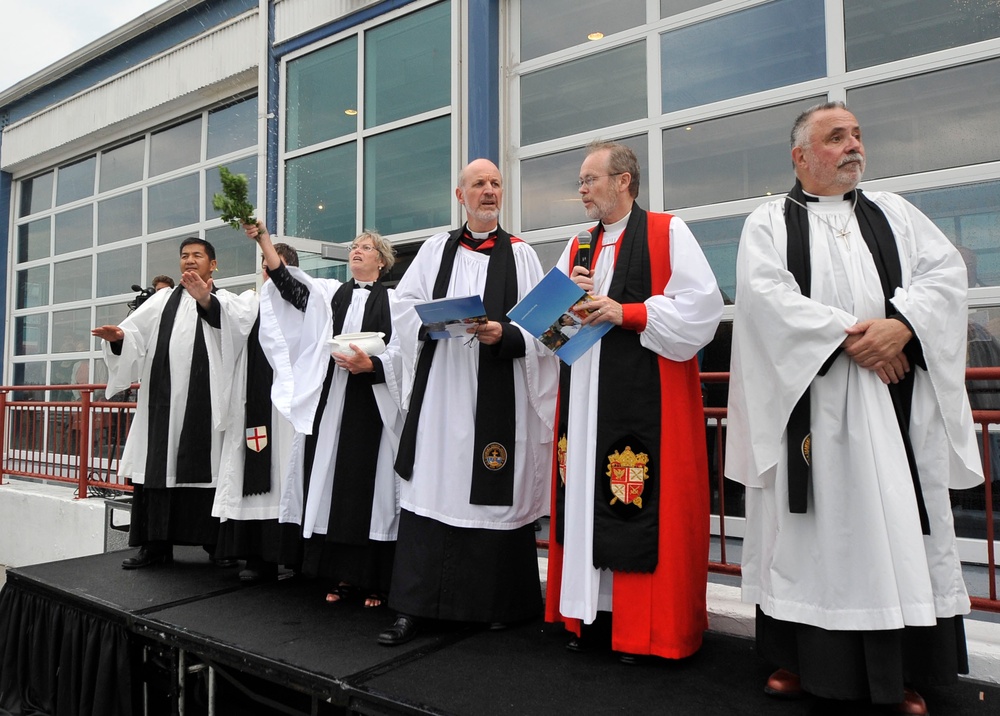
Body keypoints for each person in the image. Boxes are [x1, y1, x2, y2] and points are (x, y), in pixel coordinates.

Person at [726, 102, 984, 715]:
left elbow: (945, 274)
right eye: (836, 137)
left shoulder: (894, 213)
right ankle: (799, 659)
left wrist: (903, 328)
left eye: (857, 135)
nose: (852, 146)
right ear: (800, 156)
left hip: (893, 407)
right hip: (812, 406)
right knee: (814, 536)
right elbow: (765, 300)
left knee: (895, 528)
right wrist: (856, 338)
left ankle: (901, 674)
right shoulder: (768, 222)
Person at [544, 141, 723, 662]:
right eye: (579, 181)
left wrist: (629, 314)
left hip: (644, 399)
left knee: (632, 499)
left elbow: (701, 311)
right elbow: (551, 333)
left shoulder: (669, 232)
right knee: (583, 501)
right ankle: (589, 617)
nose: (581, 189)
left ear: (624, 181)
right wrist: (567, 301)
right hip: (585, 401)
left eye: (589, 179)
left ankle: (641, 628)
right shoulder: (578, 246)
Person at [382, 158, 558, 645]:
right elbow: (402, 306)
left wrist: (505, 333)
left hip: (495, 393)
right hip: (441, 392)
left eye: (496, 184)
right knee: (432, 491)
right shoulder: (436, 250)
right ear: (460, 195)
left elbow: (546, 328)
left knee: (492, 494)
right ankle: (413, 608)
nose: (488, 191)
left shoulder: (521, 255)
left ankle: (498, 605)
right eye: (478, 184)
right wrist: (433, 321)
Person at [248, 223, 403, 608]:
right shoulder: (330, 293)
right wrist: (264, 241)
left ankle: (376, 581)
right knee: (335, 486)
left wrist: (375, 365)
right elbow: (291, 287)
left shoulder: (398, 301)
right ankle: (344, 576)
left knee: (373, 491)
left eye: (366, 247)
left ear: (381, 262)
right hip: (333, 403)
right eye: (354, 246)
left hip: (373, 406)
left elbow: (405, 352)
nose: (357, 251)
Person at [93, 238, 257, 569]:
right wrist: (119, 339)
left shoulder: (227, 301)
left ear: (213, 264)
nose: (189, 261)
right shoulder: (162, 301)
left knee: (206, 468)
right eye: (184, 256)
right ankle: (155, 546)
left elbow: (235, 334)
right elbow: (136, 334)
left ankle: (215, 545)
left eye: (198, 255)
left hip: (205, 407)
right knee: (158, 468)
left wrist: (205, 301)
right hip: (163, 406)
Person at [210, 242, 304, 582]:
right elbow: (223, 315)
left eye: (273, 267)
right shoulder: (252, 303)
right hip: (256, 407)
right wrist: (205, 298)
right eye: (265, 267)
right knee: (258, 476)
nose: (267, 273)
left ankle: (297, 559)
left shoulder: (307, 304)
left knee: (294, 480)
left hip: (293, 413)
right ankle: (259, 559)